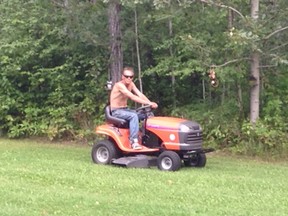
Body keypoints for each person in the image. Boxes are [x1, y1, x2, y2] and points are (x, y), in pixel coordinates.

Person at [110, 67, 158, 150]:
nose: (129, 78)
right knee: (133, 116)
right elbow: (131, 96)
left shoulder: (131, 84)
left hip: (125, 109)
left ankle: (149, 139)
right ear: (122, 76)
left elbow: (140, 94)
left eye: (131, 77)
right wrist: (148, 103)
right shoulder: (119, 85)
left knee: (146, 114)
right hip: (116, 111)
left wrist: (150, 103)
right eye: (126, 76)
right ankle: (134, 142)